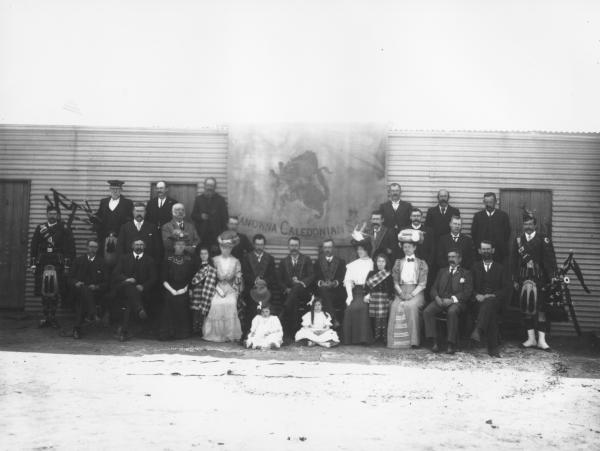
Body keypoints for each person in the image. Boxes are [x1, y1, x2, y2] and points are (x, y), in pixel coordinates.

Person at [512, 213, 557, 351]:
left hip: (541, 278)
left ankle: (542, 341)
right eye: (526, 224)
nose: (528, 227)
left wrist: (552, 277)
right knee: (527, 307)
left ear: (535, 225)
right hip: (524, 278)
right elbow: (514, 261)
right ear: (523, 225)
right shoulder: (518, 240)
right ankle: (531, 338)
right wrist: (514, 278)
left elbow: (550, 260)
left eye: (531, 224)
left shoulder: (543, 239)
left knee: (542, 309)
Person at [30, 205, 76, 328]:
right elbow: (34, 246)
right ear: (47, 214)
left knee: (55, 291)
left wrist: (67, 265)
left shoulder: (64, 228)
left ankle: (53, 317)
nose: (52, 216)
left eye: (54, 214)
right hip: (43, 262)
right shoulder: (40, 228)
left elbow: (69, 248)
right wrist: (33, 264)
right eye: (50, 213)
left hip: (58, 262)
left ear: (58, 215)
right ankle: (45, 317)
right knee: (44, 291)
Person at [424, 249, 473, 354]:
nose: (451, 259)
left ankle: (450, 343)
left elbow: (467, 292)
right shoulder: (442, 271)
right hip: (440, 300)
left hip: (457, 302)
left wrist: (452, 300)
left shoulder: (466, 273)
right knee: (427, 311)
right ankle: (434, 342)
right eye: (449, 257)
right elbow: (433, 288)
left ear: (459, 259)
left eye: (453, 257)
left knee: (452, 312)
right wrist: (436, 297)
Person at [202, 231, 244, 342]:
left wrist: (238, 278)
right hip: (218, 287)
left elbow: (238, 275)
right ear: (220, 247)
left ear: (232, 248)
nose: (226, 250)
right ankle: (216, 334)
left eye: (229, 248)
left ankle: (229, 334)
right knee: (216, 303)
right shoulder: (215, 260)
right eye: (224, 247)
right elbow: (210, 277)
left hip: (230, 288)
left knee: (230, 303)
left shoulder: (236, 261)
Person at [112, 239, 157, 341]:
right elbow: (116, 273)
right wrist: (126, 279)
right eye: (137, 244)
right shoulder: (124, 258)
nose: (139, 246)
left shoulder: (149, 260)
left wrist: (143, 286)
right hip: (123, 289)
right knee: (129, 286)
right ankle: (139, 308)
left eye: (141, 245)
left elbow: (153, 278)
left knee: (128, 302)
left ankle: (123, 332)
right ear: (132, 246)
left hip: (141, 291)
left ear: (144, 247)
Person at [471, 240, 509, 357]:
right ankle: (493, 348)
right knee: (490, 312)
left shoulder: (500, 268)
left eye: (488, 249)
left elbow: (505, 288)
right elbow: (469, 287)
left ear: (493, 250)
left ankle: (478, 329)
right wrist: (476, 295)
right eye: (483, 249)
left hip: (496, 301)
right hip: (478, 302)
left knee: (490, 303)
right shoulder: (474, 267)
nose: (486, 251)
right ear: (480, 251)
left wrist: (493, 295)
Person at [388, 239, 428, 348]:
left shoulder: (421, 263)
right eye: (405, 247)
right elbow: (395, 281)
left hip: (416, 291)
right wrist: (400, 293)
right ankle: (395, 342)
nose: (407, 249)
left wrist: (411, 295)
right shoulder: (398, 263)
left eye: (409, 247)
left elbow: (422, 284)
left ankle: (413, 341)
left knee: (411, 306)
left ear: (414, 247)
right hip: (401, 290)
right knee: (395, 306)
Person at [278, 236, 315, 341]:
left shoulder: (306, 260)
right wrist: (286, 289)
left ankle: (289, 331)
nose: (294, 248)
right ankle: (294, 332)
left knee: (297, 287)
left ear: (299, 246)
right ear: (288, 246)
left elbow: (311, 275)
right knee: (293, 300)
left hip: (304, 291)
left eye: (296, 245)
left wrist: (301, 283)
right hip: (289, 292)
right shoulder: (283, 261)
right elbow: (279, 279)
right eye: (292, 245)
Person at [159, 238, 196, 340]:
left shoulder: (189, 259)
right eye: (178, 244)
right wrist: (172, 290)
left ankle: (181, 333)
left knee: (182, 301)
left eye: (183, 244)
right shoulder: (168, 258)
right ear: (174, 246)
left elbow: (192, 277)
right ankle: (167, 332)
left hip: (184, 288)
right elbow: (164, 278)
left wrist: (184, 289)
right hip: (169, 287)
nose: (180, 246)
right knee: (168, 300)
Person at [241, 234, 277, 339]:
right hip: (251, 288)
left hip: (266, 289)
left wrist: (264, 282)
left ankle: (265, 334)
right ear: (254, 244)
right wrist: (255, 281)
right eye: (257, 244)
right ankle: (250, 333)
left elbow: (272, 275)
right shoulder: (247, 257)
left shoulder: (270, 258)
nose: (259, 247)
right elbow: (245, 273)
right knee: (251, 307)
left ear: (264, 245)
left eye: (261, 245)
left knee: (266, 304)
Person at [69, 239, 108, 339]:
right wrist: (76, 282)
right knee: (83, 291)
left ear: (98, 249)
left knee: (82, 301)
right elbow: (70, 278)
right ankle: (93, 313)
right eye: (91, 246)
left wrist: (96, 286)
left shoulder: (102, 262)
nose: (92, 249)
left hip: (95, 292)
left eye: (95, 247)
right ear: (87, 247)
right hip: (78, 290)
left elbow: (107, 282)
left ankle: (77, 329)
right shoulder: (78, 260)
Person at [342, 238, 374, 345]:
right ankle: (350, 339)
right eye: (358, 249)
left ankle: (363, 339)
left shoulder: (372, 263)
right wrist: (349, 296)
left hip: (367, 292)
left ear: (367, 250)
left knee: (363, 308)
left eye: (362, 249)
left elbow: (375, 282)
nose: (360, 251)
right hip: (355, 292)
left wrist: (369, 294)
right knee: (350, 309)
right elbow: (348, 281)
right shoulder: (354, 264)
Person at [94, 180, 134, 257]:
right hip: (104, 237)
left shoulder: (128, 203)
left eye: (117, 189)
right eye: (113, 188)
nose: (115, 191)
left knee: (120, 257)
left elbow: (130, 220)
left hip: (121, 237)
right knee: (104, 258)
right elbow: (99, 215)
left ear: (121, 190)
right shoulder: (104, 202)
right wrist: (94, 218)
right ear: (110, 189)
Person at [313, 238, 346, 329]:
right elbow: (315, 277)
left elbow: (343, 277)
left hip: (336, 292)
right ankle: (334, 319)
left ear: (333, 248)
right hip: (322, 290)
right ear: (323, 249)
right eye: (325, 247)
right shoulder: (318, 262)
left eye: (329, 247)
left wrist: (335, 283)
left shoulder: (341, 262)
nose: (327, 250)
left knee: (326, 296)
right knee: (323, 290)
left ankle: (331, 320)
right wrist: (320, 282)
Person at [471, 192, 511, 263]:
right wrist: (478, 247)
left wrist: (501, 247)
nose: (488, 204)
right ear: (483, 202)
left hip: (499, 253)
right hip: (482, 253)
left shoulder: (503, 216)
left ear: (495, 202)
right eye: (486, 202)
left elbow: (507, 234)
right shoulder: (478, 216)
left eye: (490, 202)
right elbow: (474, 234)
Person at [191, 177, 228, 253]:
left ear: (215, 187)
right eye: (208, 185)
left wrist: (220, 237)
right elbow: (193, 215)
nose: (209, 187)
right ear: (204, 186)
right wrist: (200, 216)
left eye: (211, 185)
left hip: (216, 237)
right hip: (201, 236)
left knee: (214, 258)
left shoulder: (220, 200)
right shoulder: (199, 199)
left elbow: (225, 219)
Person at [364, 253, 394, 344]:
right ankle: (376, 336)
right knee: (376, 317)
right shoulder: (371, 273)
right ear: (376, 263)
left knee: (383, 317)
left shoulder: (388, 274)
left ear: (386, 263)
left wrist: (390, 298)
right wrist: (368, 294)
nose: (380, 263)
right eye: (378, 261)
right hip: (374, 296)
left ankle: (384, 336)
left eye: (383, 261)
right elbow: (367, 287)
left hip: (384, 297)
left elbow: (391, 288)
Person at [189, 246, 217, 334]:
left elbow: (213, 280)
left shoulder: (211, 267)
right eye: (201, 254)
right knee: (196, 309)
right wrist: (191, 289)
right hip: (197, 289)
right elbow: (192, 278)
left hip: (207, 289)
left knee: (204, 309)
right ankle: (195, 328)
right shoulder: (196, 265)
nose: (203, 256)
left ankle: (203, 329)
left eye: (205, 254)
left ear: (208, 255)